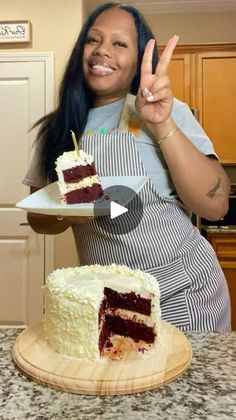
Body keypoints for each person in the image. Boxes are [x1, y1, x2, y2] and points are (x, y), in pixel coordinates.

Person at [23, 2, 231, 331]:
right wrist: (66, 206)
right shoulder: (58, 128)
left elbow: (216, 205)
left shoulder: (164, 110)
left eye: (119, 44)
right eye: (93, 40)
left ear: (138, 61)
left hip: (182, 290)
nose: (102, 51)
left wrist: (162, 125)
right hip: (110, 297)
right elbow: (38, 219)